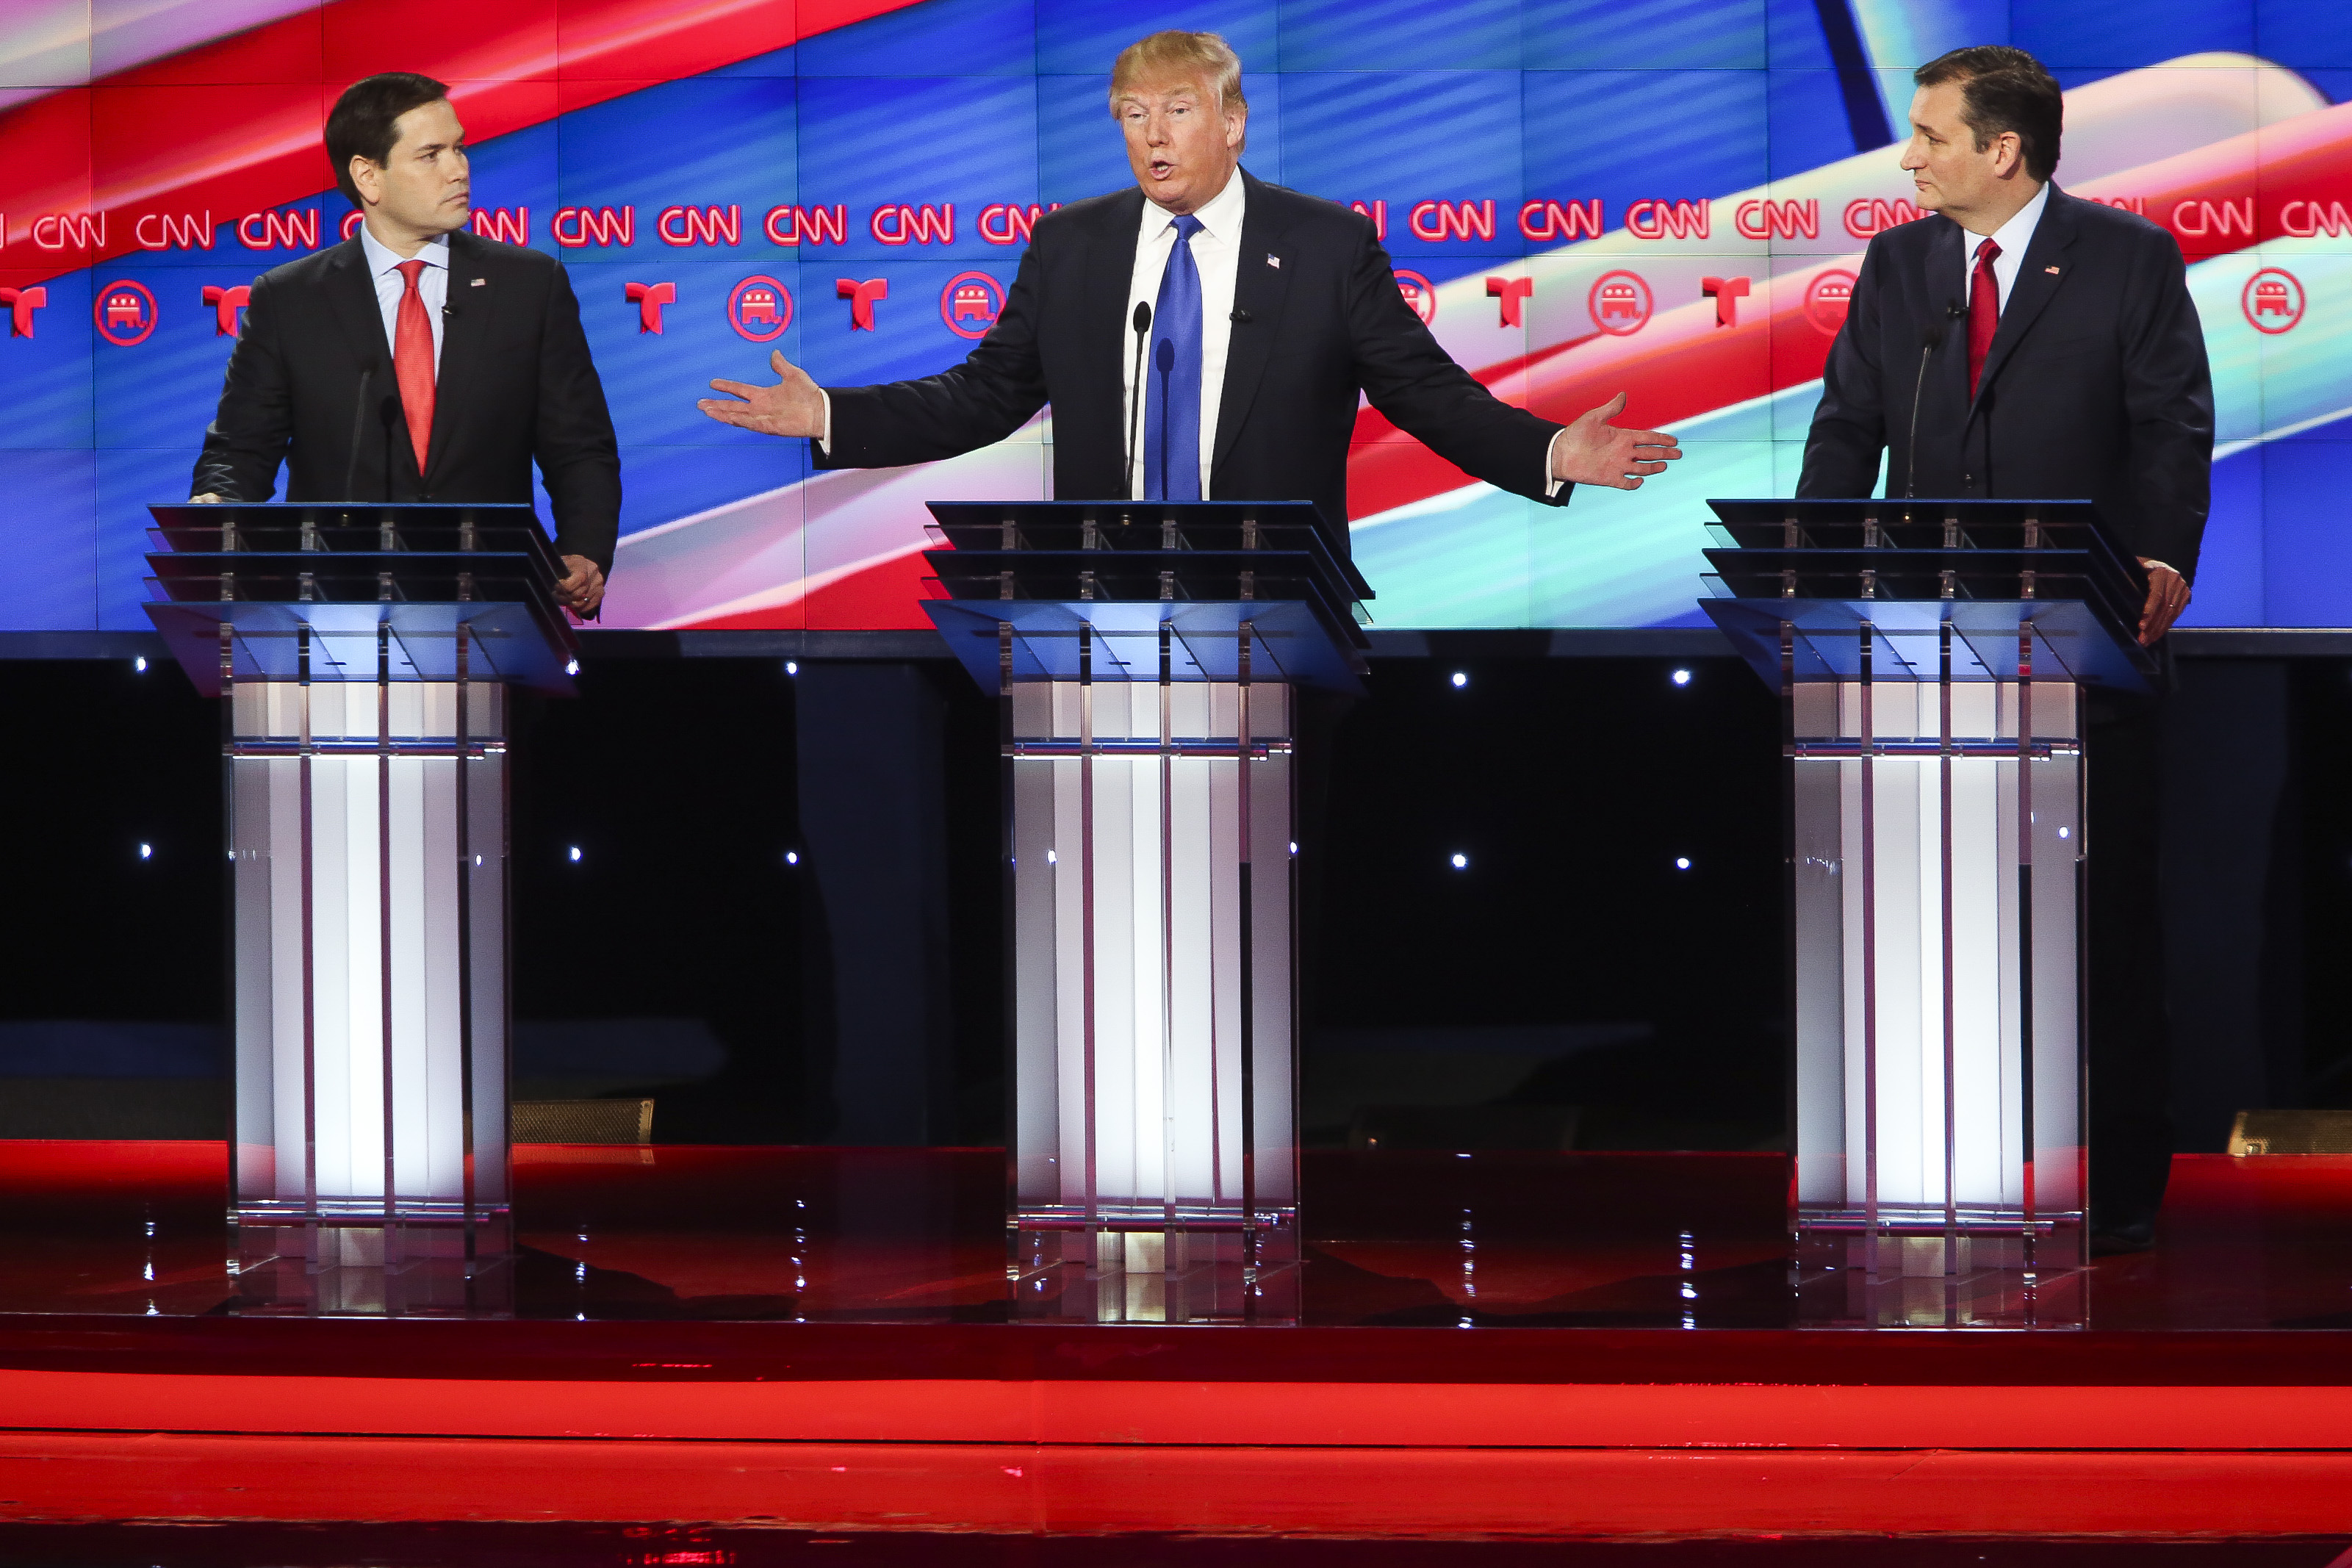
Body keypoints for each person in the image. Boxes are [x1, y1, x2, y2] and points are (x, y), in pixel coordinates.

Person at [1799, 44, 2215, 1254]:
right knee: (1933, 924)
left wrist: (2161, 558)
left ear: (2002, 150)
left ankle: (2123, 1188)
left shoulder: (2126, 258)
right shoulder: (1896, 264)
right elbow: (1846, 429)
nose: (1908, 155)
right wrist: (1816, 577)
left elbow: (2170, 427)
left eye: (1929, 136)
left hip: (2084, 649)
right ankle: (1937, 1163)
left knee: (2105, 934)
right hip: (1924, 657)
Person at [696, 29, 1680, 541]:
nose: (1153, 135)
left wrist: (1550, 450)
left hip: (1275, 613)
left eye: (1175, 110)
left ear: (1233, 122)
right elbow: (985, 394)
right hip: (1099, 612)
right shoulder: (1072, 245)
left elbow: (1426, 394)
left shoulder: (1327, 245)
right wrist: (831, 412)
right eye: (1132, 114)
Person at [192, 72, 619, 616]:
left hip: (491, 605)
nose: (459, 169)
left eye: (459, 148)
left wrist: (582, 549)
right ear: (369, 177)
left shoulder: (528, 287)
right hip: (334, 606)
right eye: (431, 155)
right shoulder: (289, 300)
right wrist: (218, 511)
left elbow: (579, 447)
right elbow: (242, 450)